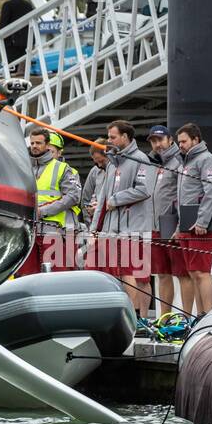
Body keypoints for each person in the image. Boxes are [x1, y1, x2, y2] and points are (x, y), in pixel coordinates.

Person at [88, 119, 154, 315]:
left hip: (135, 228)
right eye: (108, 137)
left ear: (125, 137)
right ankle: (129, 316)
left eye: (112, 137)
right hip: (112, 230)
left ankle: (139, 316)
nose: (109, 141)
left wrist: (116, 199)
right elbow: (102, 201)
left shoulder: (141, 159)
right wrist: (93, 230)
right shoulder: (111, 164)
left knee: (137, 275)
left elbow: (144, 190)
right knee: (120, 273)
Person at [172, 124, 212, 314]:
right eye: (179, 142)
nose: (181, 145)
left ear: (196, 139)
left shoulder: (206, 160)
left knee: (202, 272)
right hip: (186, 225)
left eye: (184, 141)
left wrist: (202, 221)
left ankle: (208, 315)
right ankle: (199, 316)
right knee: (193, 273)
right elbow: (182, 198)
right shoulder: (184, 163)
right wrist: (178, 226)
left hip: (201, 226)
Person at [19, 127, 82, 275]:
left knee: (57, 275)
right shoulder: (24, 167)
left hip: (52, 230)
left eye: (38, 143)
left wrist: (44, 211)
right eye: (32, 143)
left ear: (47, 145)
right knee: (27, 276)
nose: (34, 146)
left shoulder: (62, 168)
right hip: (27, 231)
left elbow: (73, 196)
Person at [145, 125, 183, 321]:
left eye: (160, 140)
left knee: (182, 274)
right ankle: (164, 318)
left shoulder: (179, 160)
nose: (157, 145)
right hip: (154, 225)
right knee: (162, 274)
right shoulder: (150, 163)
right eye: (153, 141)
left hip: (172, 223)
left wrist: (179, 225)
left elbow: (183, 194)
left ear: (170, 139)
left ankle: (189, 317)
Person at [0, 0, 34, 75]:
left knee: (12, 69)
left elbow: (3, 23)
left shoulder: (7, 5)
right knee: (23, 68)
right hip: (26, 40)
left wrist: (1, 37)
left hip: (12, 41)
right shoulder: (27, 5)